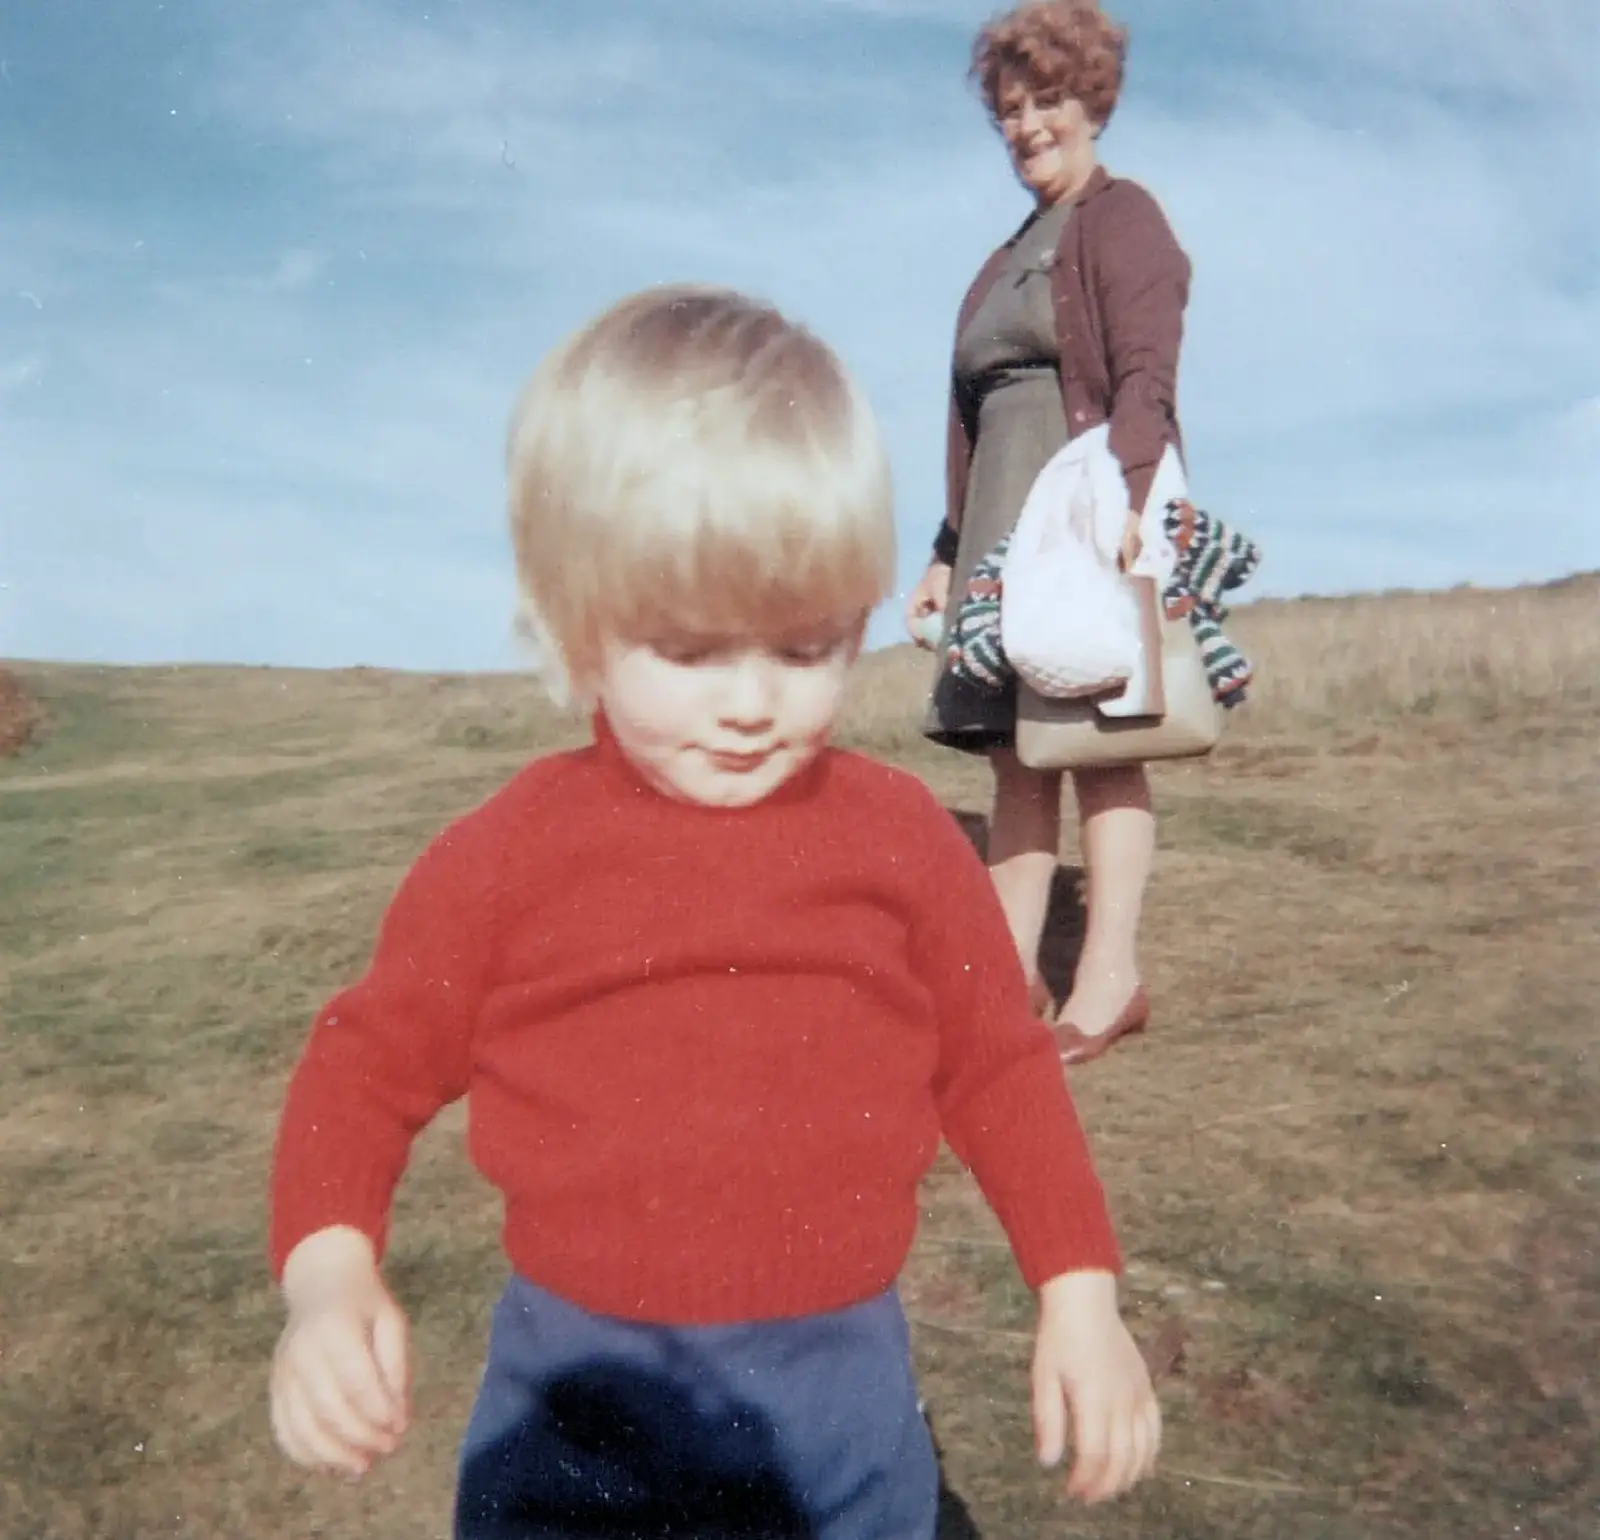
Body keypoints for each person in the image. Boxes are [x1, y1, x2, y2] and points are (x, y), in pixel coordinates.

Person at [265, 285, 1160, 1539]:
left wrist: (1079, 1294)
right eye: (689, 650)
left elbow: (1001, 1070)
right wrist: (327, 1274)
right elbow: (360, 1068)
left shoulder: (897, 841)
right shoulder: (510, 855)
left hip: (839, 1408)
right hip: (572, 1412)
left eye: (804, 649)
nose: (752, 703)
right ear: (579, 631)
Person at [906, 0, 1190, 1064]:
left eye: (1049, 102)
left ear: (1093, 103)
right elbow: (975, 419)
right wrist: (945, 550)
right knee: (1017, 757)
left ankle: (1108, 981)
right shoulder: (1001, 258)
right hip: (996, 531)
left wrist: (1130, 496)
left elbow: (1145, 378)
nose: (1028, 127)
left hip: (1081, 519)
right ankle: (1003, 983)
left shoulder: (1122, 223)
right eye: (1012, 110)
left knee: (1103, 744)